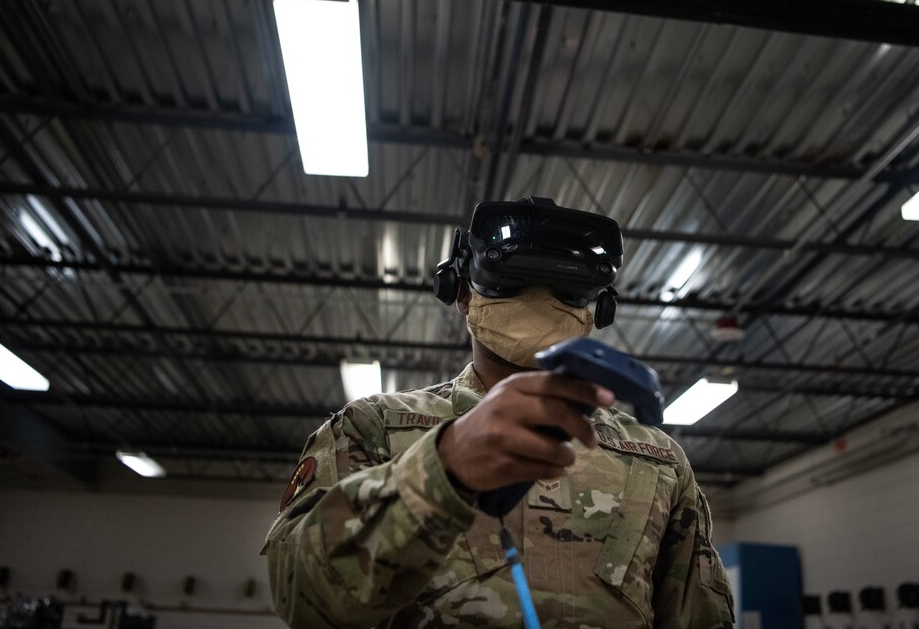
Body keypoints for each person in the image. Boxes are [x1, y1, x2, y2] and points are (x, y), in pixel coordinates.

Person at [263, 197, 735, 629]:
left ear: (597, 309)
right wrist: (442, 469)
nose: (537, 302)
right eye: (510, 285)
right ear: (461, 292)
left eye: (567, 293)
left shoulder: (657, 460)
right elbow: (299, 594)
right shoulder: (376, 429)